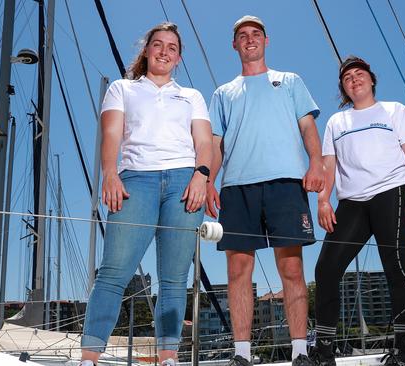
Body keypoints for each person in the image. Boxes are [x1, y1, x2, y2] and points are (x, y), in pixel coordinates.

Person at [79, 22, 212, 366]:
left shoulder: (191, 96)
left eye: (171, 47)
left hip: (185, 183)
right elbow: (111, 133)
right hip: (135, 180)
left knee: (174, 277)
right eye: (158, 44)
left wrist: (202, 175)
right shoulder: (123, 88)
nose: (164, 51)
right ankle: (89, 357)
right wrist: (110, 173)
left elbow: (203, 142)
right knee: (113, 272)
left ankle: (168, 357)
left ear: (179, 57)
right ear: (146, 50)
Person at [205, 15, 324, 366]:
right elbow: (215, 143)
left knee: (291, 269)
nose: (250, 39)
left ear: (266, 40)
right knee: (238, 271)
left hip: (286, 183)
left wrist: (316, 162)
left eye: (255, 34)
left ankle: (300, 351)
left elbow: (308, 127)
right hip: (236, 187)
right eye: (242, 36)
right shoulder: (223, 93)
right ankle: (242, 355)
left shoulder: (289, 81)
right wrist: (209, 180)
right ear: (235, 45)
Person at [310, 56, 405, 366]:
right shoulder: (337, 122)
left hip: (394, 192)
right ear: (344, 89)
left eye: (359, 74)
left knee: (397, 270)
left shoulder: (395, 110)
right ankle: (324, 351)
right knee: (326, 268)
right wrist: (323, 201)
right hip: (352, 203)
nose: (354, 79)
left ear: (371, 80)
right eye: (347, 78)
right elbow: (329, 166)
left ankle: (402, 351)